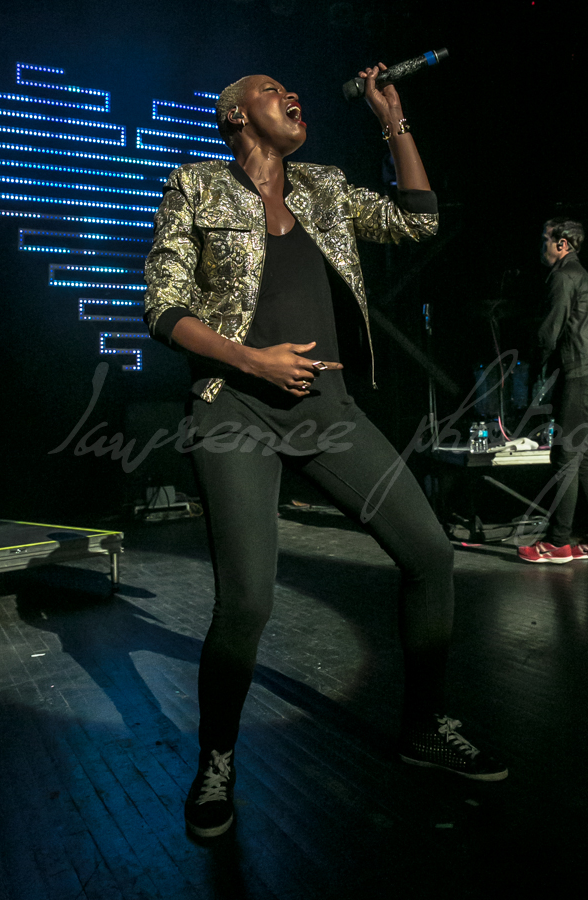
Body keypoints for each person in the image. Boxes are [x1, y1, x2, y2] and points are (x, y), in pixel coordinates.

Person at [144, 65, 508, 839]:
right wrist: (253, 361)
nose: (292, 97)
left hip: (329, 410)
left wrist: (392, 119)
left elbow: (417, 221)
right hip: (235, 409)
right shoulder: (195, 185)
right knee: (248, 602)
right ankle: (216, 759)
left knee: (429, 554)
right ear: (237, 114)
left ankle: (424, 727)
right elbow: (163, 307)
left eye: (294, 92)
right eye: (272, 90)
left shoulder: (325, 187)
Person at [518, 218, 588, 564]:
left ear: (562, 244)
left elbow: (551, 329)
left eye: (545, 240)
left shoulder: (563, 277)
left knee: (565, 458)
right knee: (583, 460)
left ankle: (558, 542)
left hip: (577, 375)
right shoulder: (583, 274)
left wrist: (534, 369)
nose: (542, 247)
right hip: (585, 373)